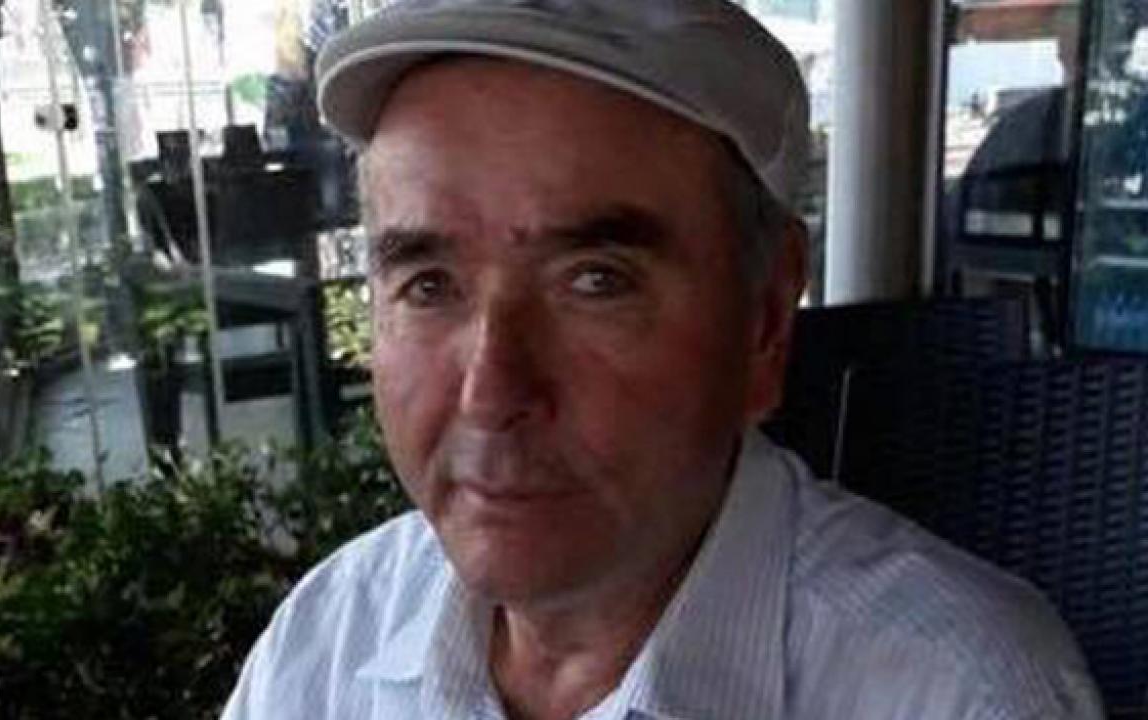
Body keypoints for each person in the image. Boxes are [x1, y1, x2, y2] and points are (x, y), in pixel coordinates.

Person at [224, 1, 1103, 718]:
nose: (491, 392)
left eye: (595, 281)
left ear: (764, 320)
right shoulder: (329, 640)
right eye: (427, 285)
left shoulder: (960, 694)